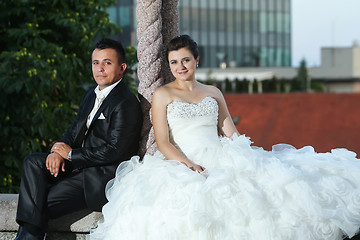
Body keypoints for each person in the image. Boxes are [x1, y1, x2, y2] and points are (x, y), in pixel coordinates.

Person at [88, 35, 360, 240]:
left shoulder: (213, 92)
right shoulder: (163, 95)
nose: (180, 66)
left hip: (219, 154)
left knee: (270, 192)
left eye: (185, 59)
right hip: (180, 161)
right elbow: (163, 142)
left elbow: (229, 130)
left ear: (197, 60)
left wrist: (250, 156)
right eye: (174, 62)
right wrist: (188, 164)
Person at [14, 38, 143, 240]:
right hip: (77, 167)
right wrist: (58, 153)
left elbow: (115, 150)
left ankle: (27, 238)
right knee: (32, 162)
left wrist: (72, 155)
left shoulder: (126, 102)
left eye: (107, 63)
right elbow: (73, 132)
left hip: (99, 176)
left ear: (121, 68)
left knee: (39, 203)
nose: (99, 68)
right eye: (95, 63)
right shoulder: (90, 96)